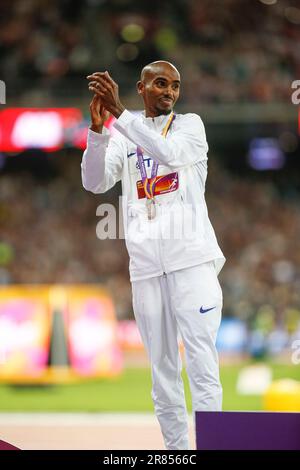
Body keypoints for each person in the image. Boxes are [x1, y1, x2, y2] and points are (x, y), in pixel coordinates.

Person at [81, 61, 225, 450]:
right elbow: (95, 182)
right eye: (160, 84)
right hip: (145, 270)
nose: (169, 92)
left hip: (192, 264)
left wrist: (119, 114)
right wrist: (98, 132)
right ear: (141, 88)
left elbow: (169, 154)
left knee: (202, 369)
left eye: (175, 85)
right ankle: (176, 454)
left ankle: (211, 450)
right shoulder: (123, 136)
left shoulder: (190, 126)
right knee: (162, 374)